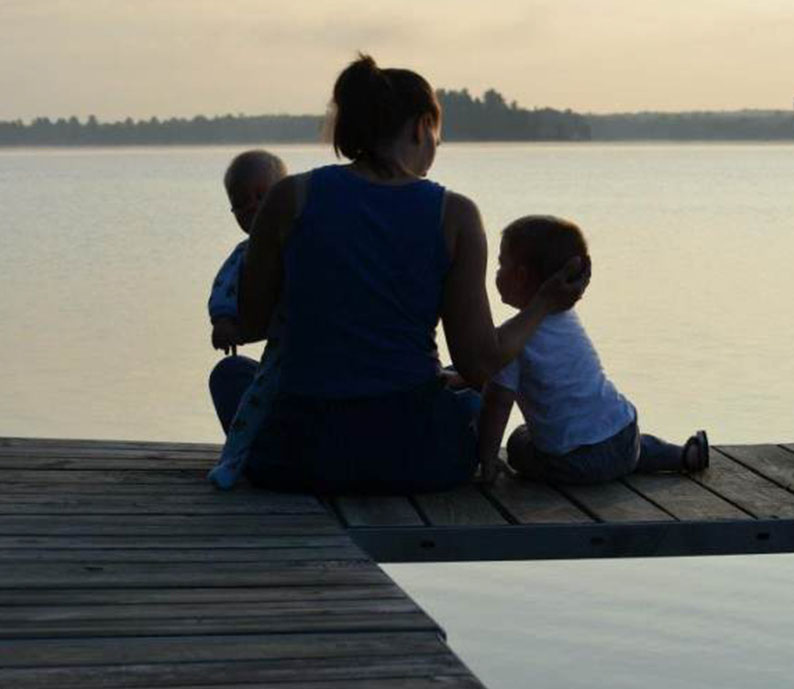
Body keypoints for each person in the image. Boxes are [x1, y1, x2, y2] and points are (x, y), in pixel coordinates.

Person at [233, 54, 588, 495]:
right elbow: (479, 366)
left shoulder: (290, 197)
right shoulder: (453, 215)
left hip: (296, 457)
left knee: (234, 380)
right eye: (437, 135)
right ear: (422, 127)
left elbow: (249, 322)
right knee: (473, 401)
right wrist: (543, 305)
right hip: (415, 457)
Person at [477, 215, 709, 486]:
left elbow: (498, 402)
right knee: (616, 442)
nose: (496, 272)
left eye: (500, 263)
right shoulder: (566, 318)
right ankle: (684, 456)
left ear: (520, 276)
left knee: (519, 442)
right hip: (624, 431)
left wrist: (487, 458)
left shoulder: (512, 341)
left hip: (578, 462)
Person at [206, 150, 288, 489]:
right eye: (240, 204)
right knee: (252, 394)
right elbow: (225, 286)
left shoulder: (311, 239)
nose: (252, 208)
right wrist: (224, 320)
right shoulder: (246, 253)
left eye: (262, 196)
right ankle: (235, 457)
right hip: (279, 359)